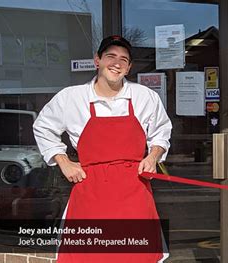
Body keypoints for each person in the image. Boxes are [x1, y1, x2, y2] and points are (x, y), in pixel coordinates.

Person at [33, 35, 172, 262]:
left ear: (129, 68)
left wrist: (153, 156)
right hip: (90, 192)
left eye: (123, 59)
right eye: (111, 56)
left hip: (134, 191)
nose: (117, 63)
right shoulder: (71, 98)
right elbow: (43, 128)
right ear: (97, 60)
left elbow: (162, 132)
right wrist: (64, 161)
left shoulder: (145, 97)